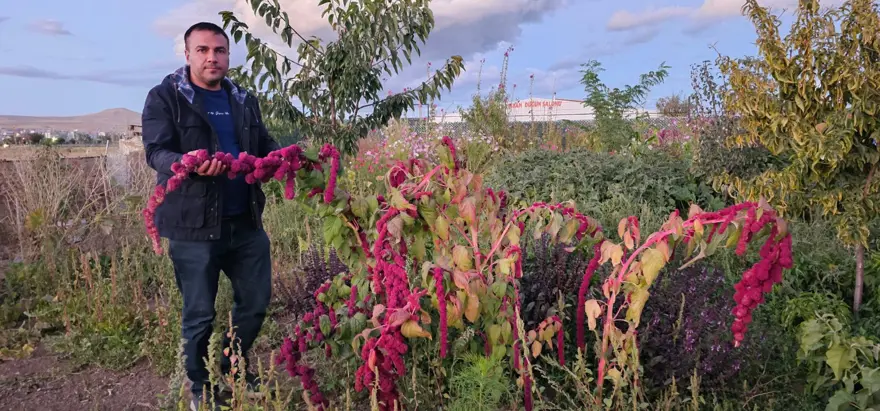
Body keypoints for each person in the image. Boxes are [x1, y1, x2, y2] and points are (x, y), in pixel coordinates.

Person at [141, 21, 280, 410]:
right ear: (187, 54)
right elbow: (156, 151)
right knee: (199, 314)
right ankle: (200, 388)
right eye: (202, 50)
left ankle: (232, 368)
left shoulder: (243, 99)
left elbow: (263, 142)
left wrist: (282, 157)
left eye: (219, 50)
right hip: (192, 227)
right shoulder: (165, 97)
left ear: (228, 55)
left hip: (245, 223)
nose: (211, 57)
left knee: (255, 303)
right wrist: (186, 163)